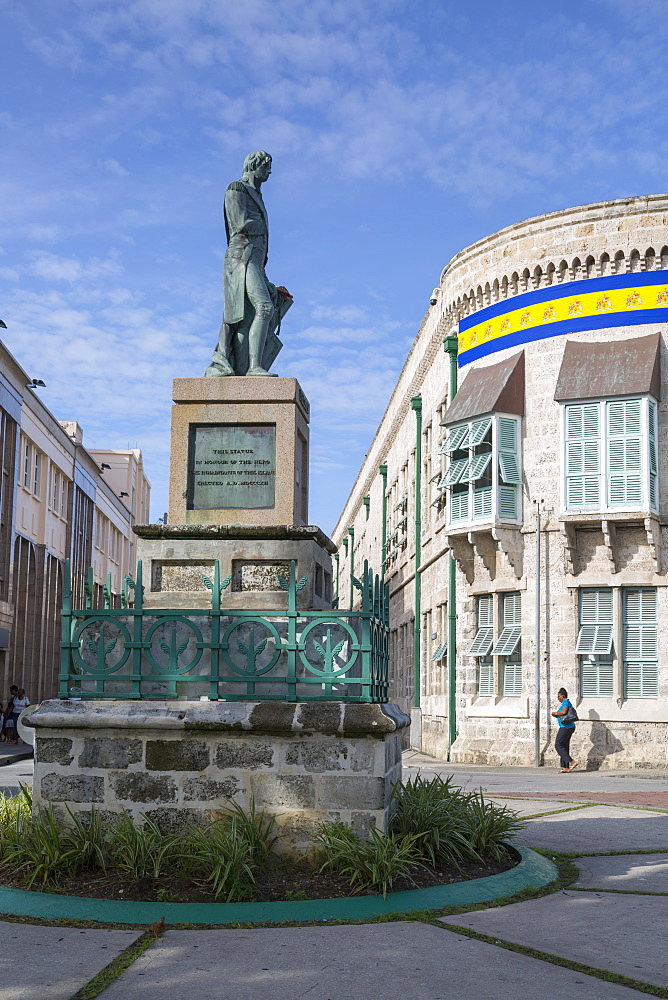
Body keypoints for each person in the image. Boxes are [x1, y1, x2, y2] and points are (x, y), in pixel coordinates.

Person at [205, 150, 293, 378]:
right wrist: (260, 229)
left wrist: (266, 280)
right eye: (267, 166)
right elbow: (241, 222)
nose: (270, 171)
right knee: (261, 308)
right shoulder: (236, 188)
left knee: (257, 312)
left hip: (254, 260)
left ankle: (249, 366)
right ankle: (253, 367)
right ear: (255, 165)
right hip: (241, 257)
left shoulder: (258, 195)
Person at [552, 687, 578, 772]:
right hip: (569, 727)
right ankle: (565, 767)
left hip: (566, 727)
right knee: (564, 746)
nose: (558, 697)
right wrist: (557, 715)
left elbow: (564, 712)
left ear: (563, 696)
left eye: (558, 696)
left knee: (558, 745)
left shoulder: (565, 702)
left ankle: (571, 761)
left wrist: (555, 713)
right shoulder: (565, 702)